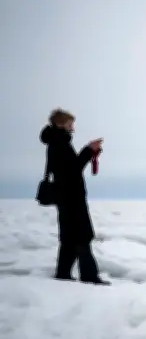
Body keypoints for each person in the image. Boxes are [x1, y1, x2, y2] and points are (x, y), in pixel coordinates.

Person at [40, 108, 110, 285]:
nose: (73, 127)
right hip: (71, 197)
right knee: (82, 236)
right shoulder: (59, 143)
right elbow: (72, 170)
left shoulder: (57, 141)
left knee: (70, 238)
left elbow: (69, 168)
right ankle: (89, 276)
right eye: (71, 123)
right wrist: (88, 150)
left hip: (66, 197)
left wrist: (88, 151)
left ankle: (63, 274)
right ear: (60, 123)